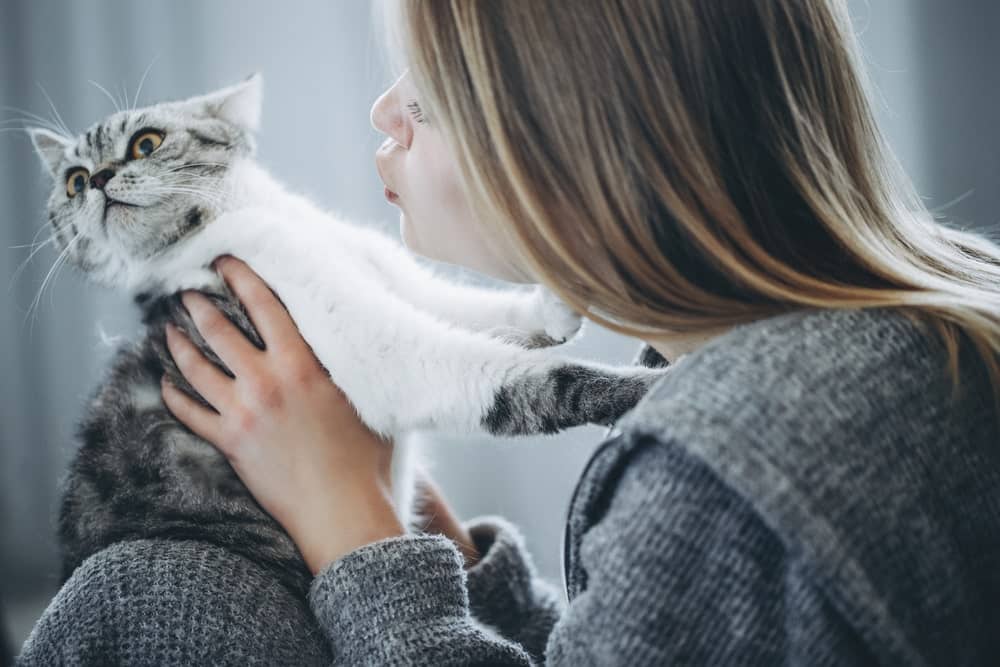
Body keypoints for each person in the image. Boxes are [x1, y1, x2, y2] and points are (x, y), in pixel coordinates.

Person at [18, 1, 1000, 664]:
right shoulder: (928, 329)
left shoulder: (719, 472)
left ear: (580, 141)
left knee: (143, 590)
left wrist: (354, 536)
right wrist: (470, 578)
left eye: (428, 94)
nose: (382, 113)